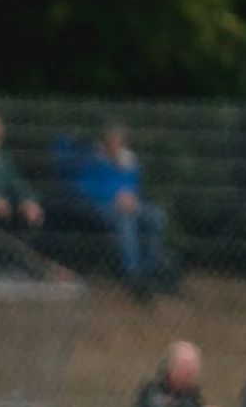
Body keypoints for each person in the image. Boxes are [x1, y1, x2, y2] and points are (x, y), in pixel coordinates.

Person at [75, 123, 175, 297]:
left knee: (157, 216)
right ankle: (133, 273)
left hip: (131, 204)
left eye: (118, 142)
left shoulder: (130, 162)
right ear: (105, 143)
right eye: (111, 142)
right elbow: (84, 187)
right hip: (105, 205)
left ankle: (151, 268)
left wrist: (131, 199)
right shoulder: (94, 161)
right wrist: (114, 198)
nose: (115, 145)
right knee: (125, 222)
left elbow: (135, 187)